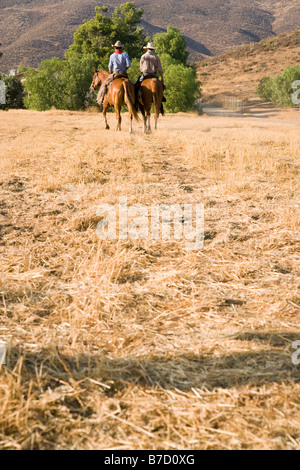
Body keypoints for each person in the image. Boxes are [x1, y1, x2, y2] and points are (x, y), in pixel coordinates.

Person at [97, 41, 131, 106]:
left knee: (104, 84)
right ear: (121, 47)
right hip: (124, 73)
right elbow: (128, 64)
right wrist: (125, 69)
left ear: (115, 48)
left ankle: (100, 99)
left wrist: (111, 72)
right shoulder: (125, 54)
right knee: (132, 85)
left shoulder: (112, 56)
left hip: (115, 73)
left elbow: (110, 67)